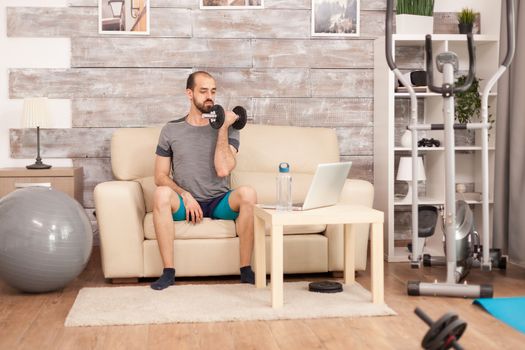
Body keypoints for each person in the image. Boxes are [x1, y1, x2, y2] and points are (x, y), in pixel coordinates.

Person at [150, 71, 257, 290]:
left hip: (219, 202)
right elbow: (159, 176)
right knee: (161, 193)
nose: (210, 96)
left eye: (213, 91)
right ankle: (168, 272)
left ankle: (246, 270)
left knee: (248, 194)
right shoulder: (171, 130)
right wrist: (185, 195)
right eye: (203, 91)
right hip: (185, 204)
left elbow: (223, 168)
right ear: (189, 93)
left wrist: (222, 127)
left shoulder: (230, 127)